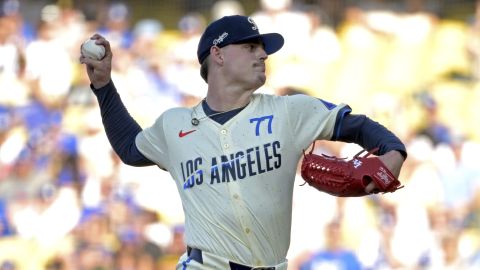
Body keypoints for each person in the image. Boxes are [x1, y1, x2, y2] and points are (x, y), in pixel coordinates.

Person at [80, 15, 406, 270]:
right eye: (250, 47)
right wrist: (104, 86)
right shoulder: (174, 125)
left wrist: (394, 153)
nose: (263, 54)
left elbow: (358, 126)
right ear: (217, 54)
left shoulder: (289, 111)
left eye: (262, 48)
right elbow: (129, 147)